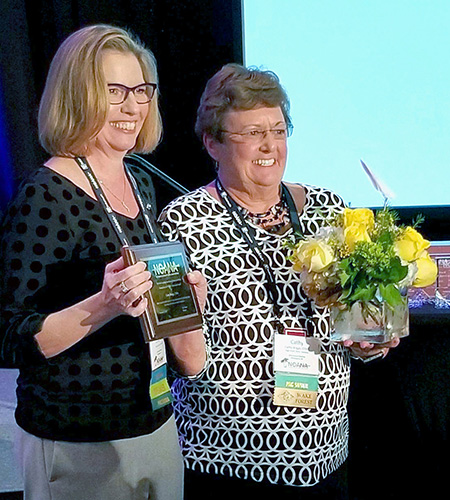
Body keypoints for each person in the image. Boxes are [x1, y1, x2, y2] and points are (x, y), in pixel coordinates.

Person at [159, 63, 399, 500]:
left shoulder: (330, 210)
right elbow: (178, 350)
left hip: (324, 456)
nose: (269, 145)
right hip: (227, 460)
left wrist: (370, 340)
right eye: (250, 133)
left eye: (277, 129)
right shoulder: (182, 220)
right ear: (212, 143)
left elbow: (357, 317)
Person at [0, 24, 206, 500]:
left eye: (141, 90)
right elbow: (11, 338)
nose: (133, 107)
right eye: (115, 91)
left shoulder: (142, 183)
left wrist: (179, 303)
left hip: (153, 422)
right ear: (78, 95)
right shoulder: (45, 196)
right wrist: (105, 305)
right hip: (80, 443)